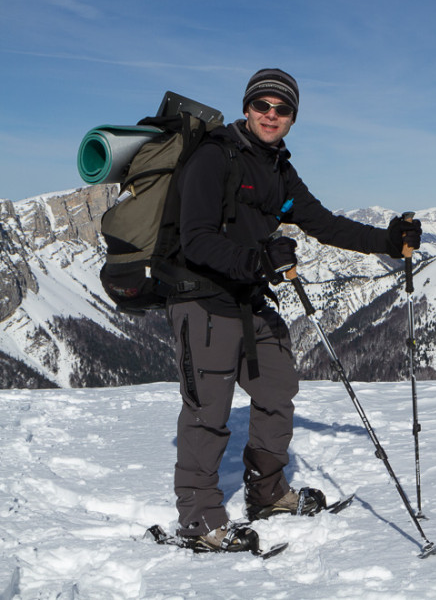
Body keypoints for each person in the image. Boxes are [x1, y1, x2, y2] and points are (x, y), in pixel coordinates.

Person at [167, 68, 421, 552]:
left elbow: (323, 223)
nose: (271, 115)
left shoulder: (278, 167)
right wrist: (257, 259)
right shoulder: (213, 158)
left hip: (249, 299)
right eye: (263, 105)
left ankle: (266, 493)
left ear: (292, 118)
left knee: (277, 386)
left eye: (282, 109)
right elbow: (195, 240)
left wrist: (385, 240)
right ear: (247, 107)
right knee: (208, 412)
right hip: (201, 300)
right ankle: (200, 521)